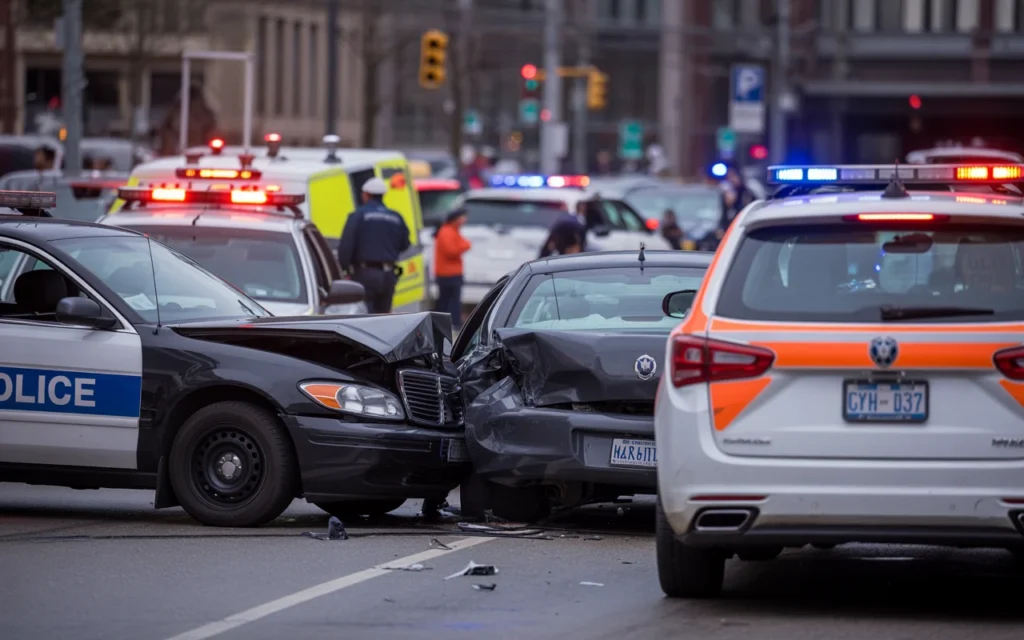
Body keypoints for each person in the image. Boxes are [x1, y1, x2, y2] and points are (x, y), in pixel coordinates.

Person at [336, 177, 410, 313]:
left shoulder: (358, 216)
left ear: (365, 194)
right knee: (383, 316)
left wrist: (345, 269)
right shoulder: (396, 217)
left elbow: (346, 246)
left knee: (365, 316)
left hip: (364, 274)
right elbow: (405, 244)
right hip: (388, 275)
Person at [433, 208, 472, 329]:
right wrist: (464, 246)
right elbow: (452, 251)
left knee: (450, 300)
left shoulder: (453, 231)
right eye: (462, 217)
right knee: (448, 301)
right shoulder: (447, 232)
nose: (464, 220)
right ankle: (450, 323)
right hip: (448, 273)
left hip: (452, 272)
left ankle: (450, 323)